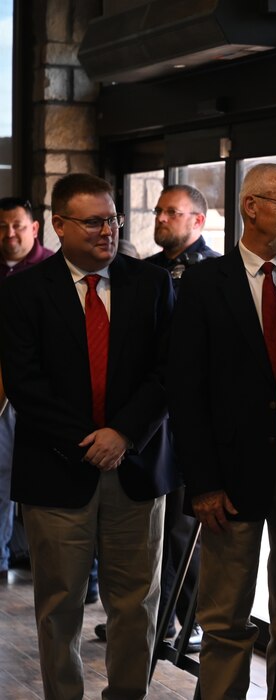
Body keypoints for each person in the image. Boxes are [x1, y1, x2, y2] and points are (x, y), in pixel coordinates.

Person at [0, 174, 176, 699]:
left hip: (137, 468)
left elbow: (169, 371)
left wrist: (122, 433)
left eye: (114, 218)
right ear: (58, 225)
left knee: (136, 604)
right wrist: (88, 441)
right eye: (94, 221)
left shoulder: (151, 284)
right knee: (59, 606)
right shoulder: (24, 291)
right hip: (56, 470)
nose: (108, 230)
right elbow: (25, 384)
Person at [168, 163, 276, 700]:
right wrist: (203, 483)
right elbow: (186, 391)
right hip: (229, 480)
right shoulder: (206, 282)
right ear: (251, 207)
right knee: (226, 617)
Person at [96, 184, 218, 649]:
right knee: (149, 533)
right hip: (145, 421)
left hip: (189, 418)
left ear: (198, 221)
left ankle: (190, 620)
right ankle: (150, 617)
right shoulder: (143, 273)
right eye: (160, 210)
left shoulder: (213, 273)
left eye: (174, 212)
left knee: (184, 529)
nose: (162, 217)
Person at [0, 197, 53, 579]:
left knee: (49, 482)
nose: (10, 234)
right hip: (0, 392)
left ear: (35, 228)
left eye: (18, 225)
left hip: (45, 392)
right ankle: (1, 562)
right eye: (2, 226)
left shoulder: (53, 269)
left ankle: (68, 571)